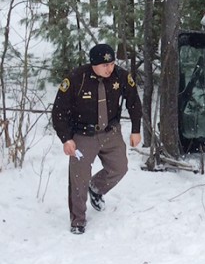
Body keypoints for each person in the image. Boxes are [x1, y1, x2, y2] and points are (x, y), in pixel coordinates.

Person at [52, 43, 142, 234]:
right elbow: (59, 111)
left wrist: (136, 129)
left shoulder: (121, 75)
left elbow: (134, 101)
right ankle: (78, 220)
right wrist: (66, 139)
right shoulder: (76, 78)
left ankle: (97, 187)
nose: (109, 69)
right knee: (79, 178)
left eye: (111, 64)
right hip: (83, 135)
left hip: (111, 131)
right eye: (104, 65)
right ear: (94, 64)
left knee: (120, 167)